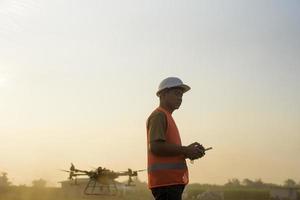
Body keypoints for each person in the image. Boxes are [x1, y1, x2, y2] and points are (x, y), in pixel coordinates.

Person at [146, 77, 205, 200]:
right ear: (163, 94)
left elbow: (169, 150)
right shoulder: (159, 115)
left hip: (170, 183)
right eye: (177, 94)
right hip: (166, 184)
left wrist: (189, 152)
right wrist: (186, 150)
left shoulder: (166, 116)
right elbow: (156, 147)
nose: (180, 98)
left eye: (181, 95)